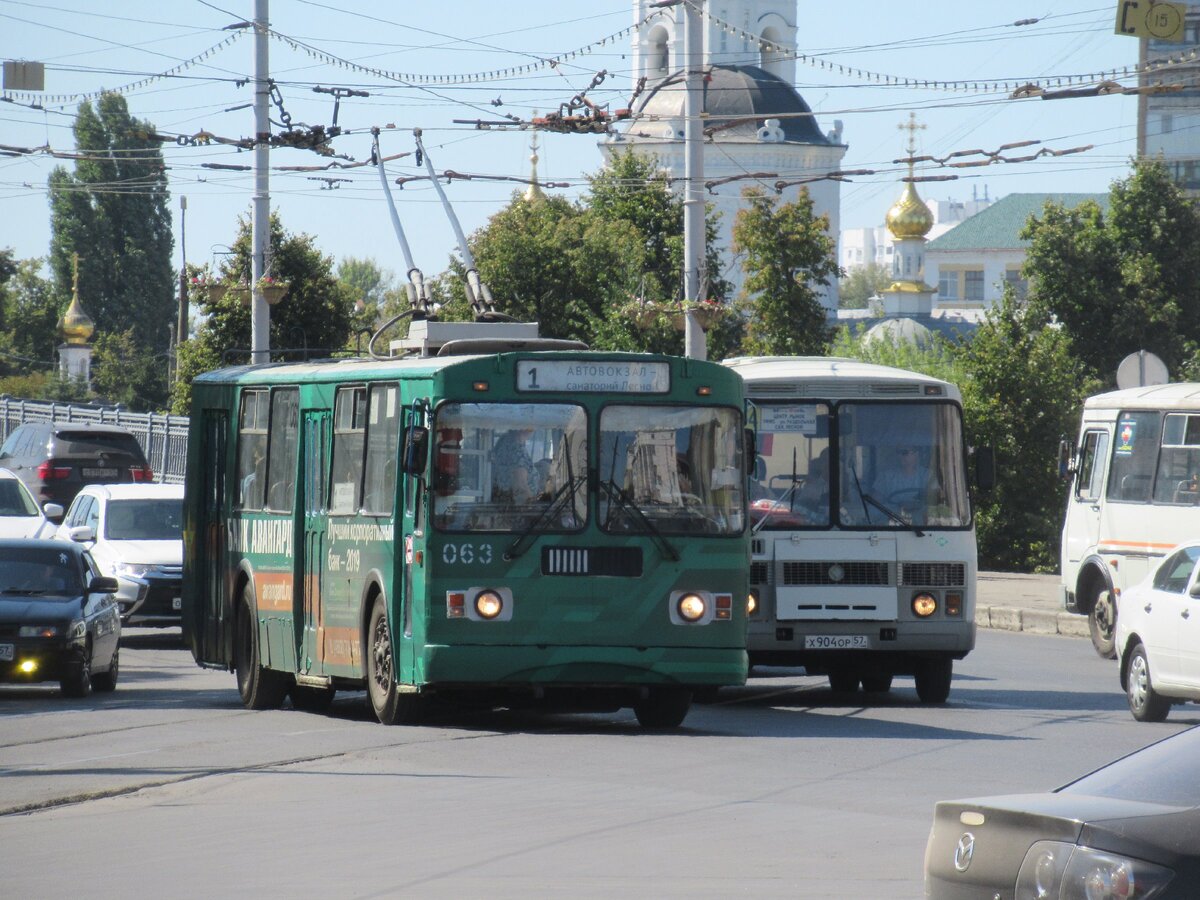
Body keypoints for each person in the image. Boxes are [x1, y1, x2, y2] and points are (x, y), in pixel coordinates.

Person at [871, 445, 938, 521]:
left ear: (916, 454)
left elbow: (935, 501)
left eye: (904, 452)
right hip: (891, 521)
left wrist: (916, 504)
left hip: (924, 524)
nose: (900, 456)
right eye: (898, 453)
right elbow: (875, 503)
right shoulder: (886, 476)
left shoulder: (928, 475)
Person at [491, 428, 535, 503]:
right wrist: (534, 506)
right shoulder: (517, 450)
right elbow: (520, 487)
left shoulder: (505, 440)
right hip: (517, 508)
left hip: (502, 502)